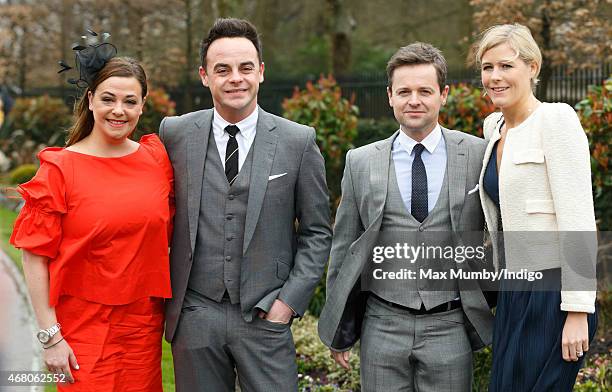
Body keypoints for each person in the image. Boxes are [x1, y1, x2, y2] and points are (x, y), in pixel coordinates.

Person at [159, 18, 332, 391]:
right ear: (205, 76)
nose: (235, 78)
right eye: (223, 69)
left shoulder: (297, 141)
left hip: (265, 316)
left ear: (261, 73)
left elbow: (318, 233)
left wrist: (287, 304)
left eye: (245, 68)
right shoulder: (173, 133)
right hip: (195, 315)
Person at [318, 42, 494, 392]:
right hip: (382, 324)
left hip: (449, 324)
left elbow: (497, 233)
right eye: (404, 91)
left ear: (443, 95)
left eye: (424, 91)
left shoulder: (477, 154)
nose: (414, 100)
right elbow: (344, 247)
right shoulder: (361, 161)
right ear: (390, 96)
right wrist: (339, 326)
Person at [10, 39, 174, 390]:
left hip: (144, 328)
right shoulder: (60, 168)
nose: (119, 110)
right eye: (108, 99)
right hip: (82, 329)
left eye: (130, 101)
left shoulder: (156, 160)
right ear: (90, 100)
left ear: (143, 106)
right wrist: (51, 336)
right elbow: (34, 256)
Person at [473, 23, 598, 391]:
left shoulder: (555, 120)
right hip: (514, 292)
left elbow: (577, 217)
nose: (495, 77)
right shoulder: (492, 127)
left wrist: (577, 311)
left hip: (554, 297)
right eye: (487, 67)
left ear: (532, 67)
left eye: (506, 66)